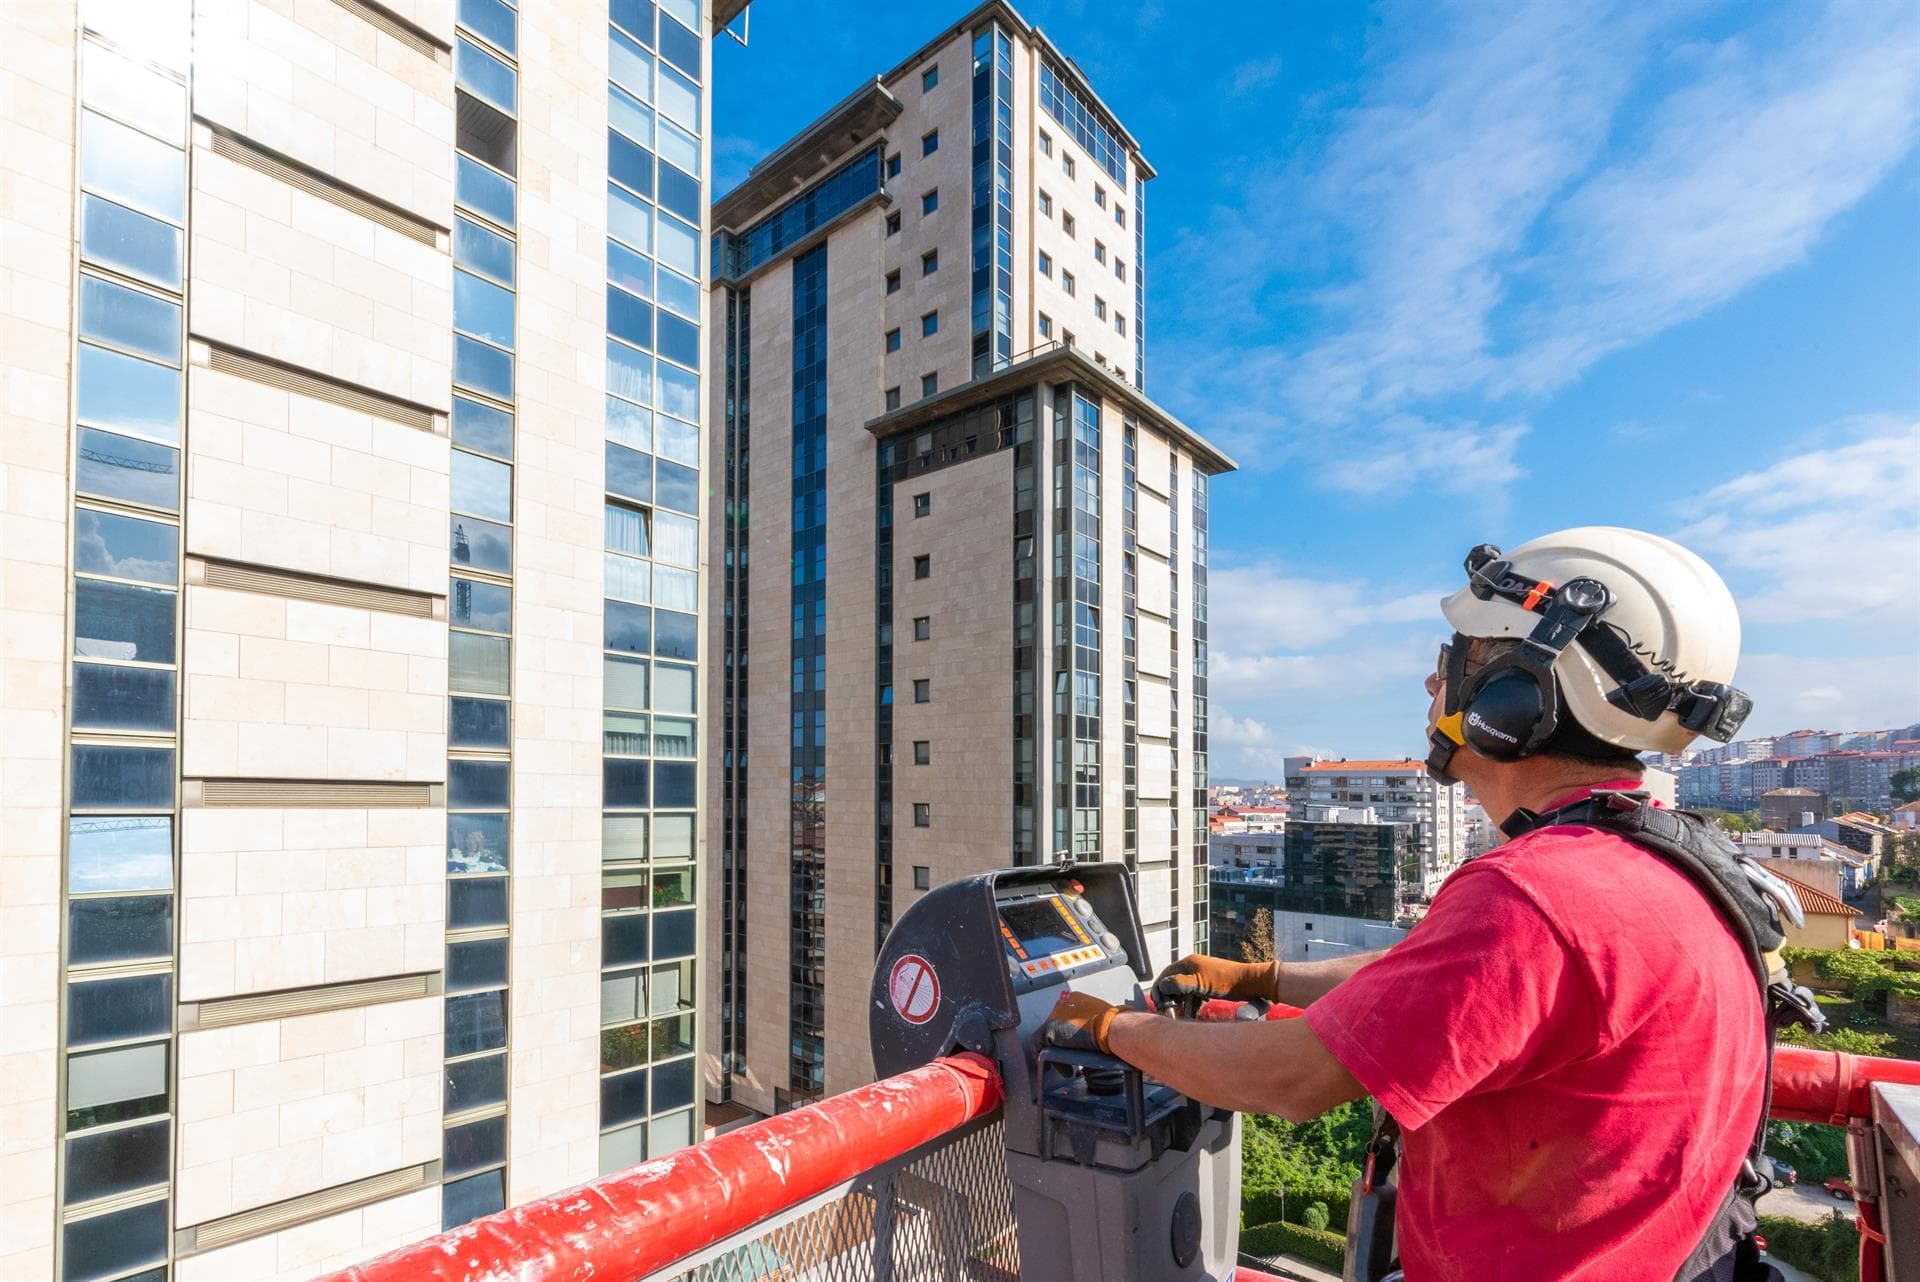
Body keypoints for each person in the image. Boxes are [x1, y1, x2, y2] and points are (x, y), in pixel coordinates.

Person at [1040, 527, 1777, 1281]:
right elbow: (1432, 981)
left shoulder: (1537, 894)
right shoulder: (1644, 859)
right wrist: (1258, 980)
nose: (1433, 688)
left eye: (1449, 665)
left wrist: (1111, 1028)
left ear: (1517, 695)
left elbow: (1288, 1079)